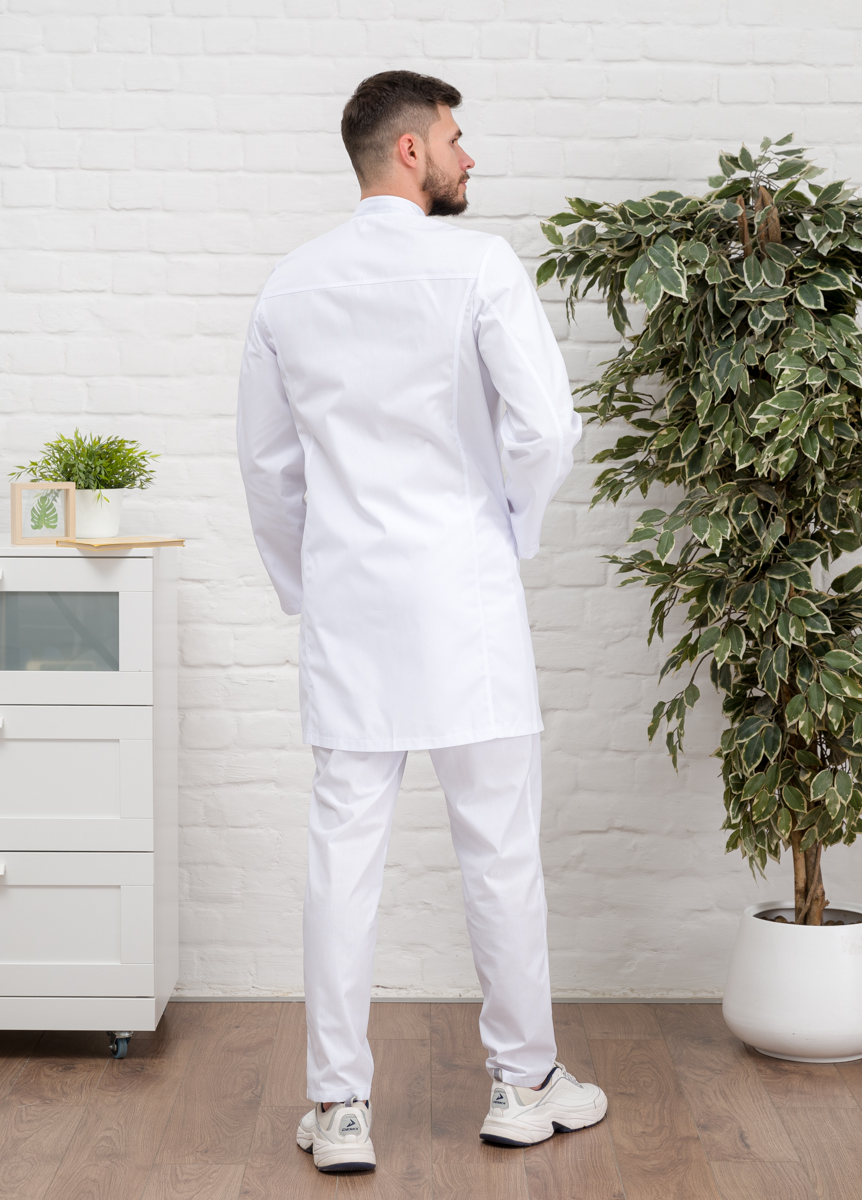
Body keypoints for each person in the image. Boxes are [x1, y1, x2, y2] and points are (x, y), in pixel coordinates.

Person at [236, 69, 606, 1175]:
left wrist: (309, 585)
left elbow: (268, 472)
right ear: (410, 150)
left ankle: (340, 1106)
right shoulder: (479, 266)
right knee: (499, 849)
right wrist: (505, 530)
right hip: (465, 603)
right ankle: (522, 1083)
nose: (467, 154)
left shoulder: (289, 287)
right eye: (454, 136)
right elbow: (546, 429)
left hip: (352, 606)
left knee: (342, 856)